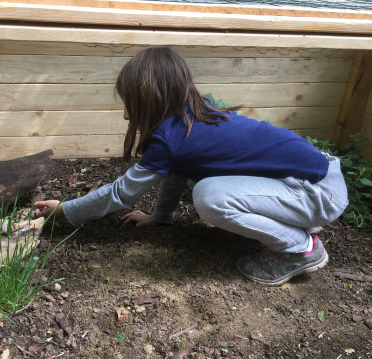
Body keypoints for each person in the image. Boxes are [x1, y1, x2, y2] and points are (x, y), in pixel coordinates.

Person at [34, 47, 348, 286]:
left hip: (316, 193)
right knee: (210, 189)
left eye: (130, 104)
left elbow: (121, 194)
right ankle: (297, 224)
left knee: (210, 196)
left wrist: (65, 210)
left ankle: (301, 247)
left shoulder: (173, 137)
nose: (127, 115)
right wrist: (161, 218)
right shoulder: (189, 121)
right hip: (313, 182)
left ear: (152, 99)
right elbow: (178, 169)